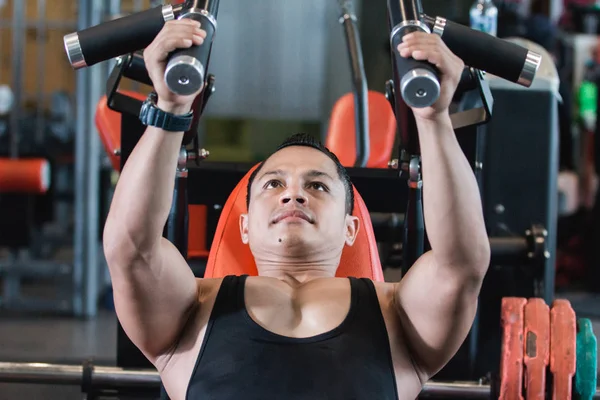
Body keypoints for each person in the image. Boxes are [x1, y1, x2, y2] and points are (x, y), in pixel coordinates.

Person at [103, 19, 491, 400]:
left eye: (317, 185)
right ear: (245, 226)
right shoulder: (190, 311)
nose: (294, 195)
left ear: (350, 229)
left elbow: (461, 263)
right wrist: (170, 107)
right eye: (274, 184)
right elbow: (130, 249)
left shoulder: (399, 317)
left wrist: (434, 117)